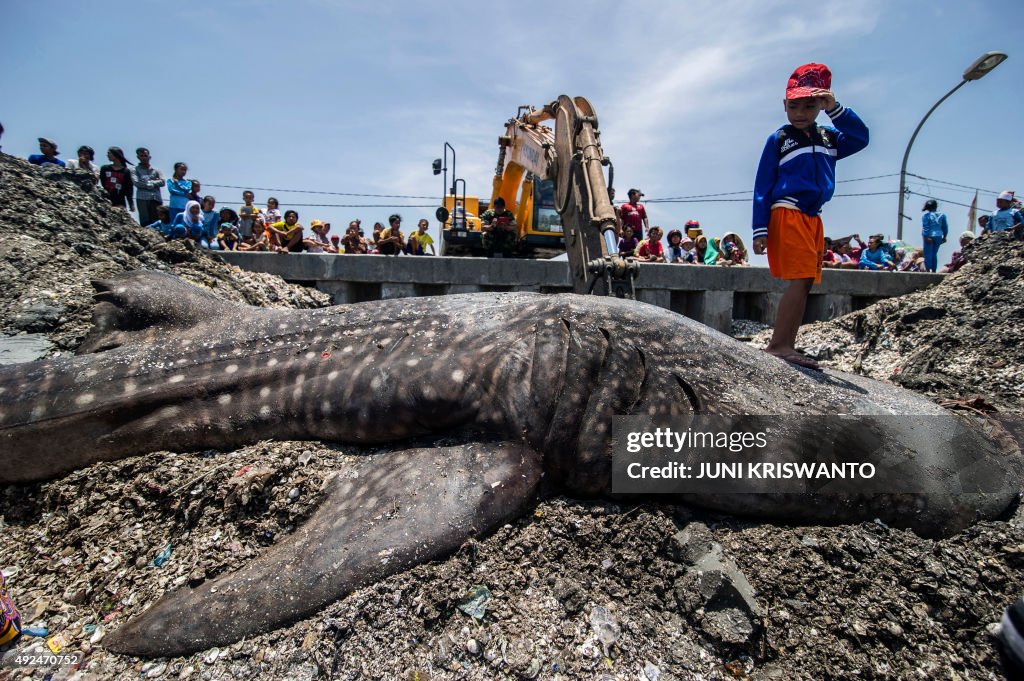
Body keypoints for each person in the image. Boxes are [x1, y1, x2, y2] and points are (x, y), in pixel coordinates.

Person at [751, 62, 869, 370]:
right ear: (784, 105)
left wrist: (836, 109)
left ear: (820, 106)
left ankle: (785, 342)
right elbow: (762, 185)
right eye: (794, 105)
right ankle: (779, 345)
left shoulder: (829, 138)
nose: (800, 112)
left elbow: (860, 137)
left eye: (810, 105)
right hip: (787, 212)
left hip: (813, 217)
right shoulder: (780, 139)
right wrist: (759, 229)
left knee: (806, 282)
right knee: (800, 278)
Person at [132, 148, 164, 228]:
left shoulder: (156, 170)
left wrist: (151, 183)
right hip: (142, 198)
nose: (144, 158)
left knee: (157, 220)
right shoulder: (134, 170)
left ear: (149, 157)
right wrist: (153, 182)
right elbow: (136, 182)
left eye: (145, 156)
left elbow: (163, 181)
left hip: (155, 198)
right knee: (145, 221)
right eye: (141, 156)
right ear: (138, 157)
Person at [99, 147, 135, 211]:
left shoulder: (126, 171)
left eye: (109, 153)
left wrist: (131, 204)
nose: (107, 155)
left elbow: (129, 188)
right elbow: (103, 183)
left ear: (116, 154)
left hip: (120, 201)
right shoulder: (105, 168)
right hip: (106, 199)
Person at [920, 199, 948, 272]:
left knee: (928, 254)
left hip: (929, 236)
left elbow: (925, 227)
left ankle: (928, 269)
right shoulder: (942, 215)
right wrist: (945, 236)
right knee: (934, 254)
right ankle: (934, 270)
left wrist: (926, 236)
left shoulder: (926, 216)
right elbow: (945, 226)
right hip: (938, 236)